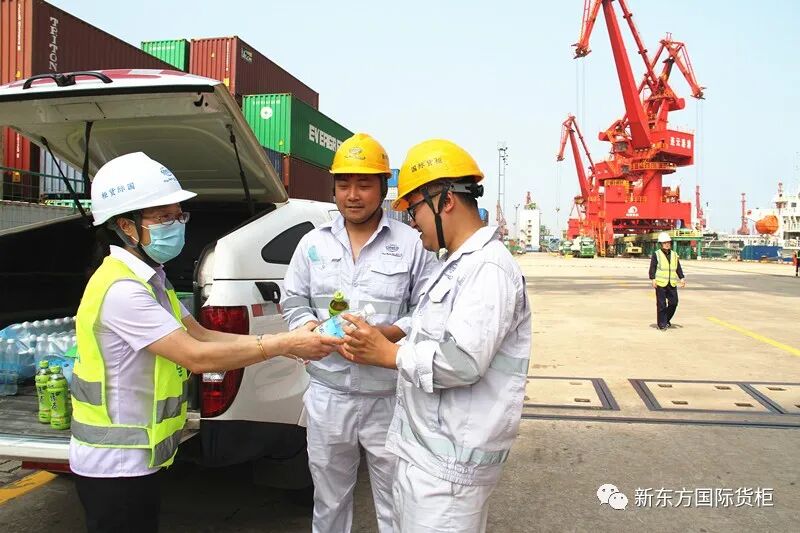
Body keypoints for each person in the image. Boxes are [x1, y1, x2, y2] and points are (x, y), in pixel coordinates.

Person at [71, 152, 342, 533]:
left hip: (137, 460)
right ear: (126, 226)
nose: (176, 225)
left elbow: (200, 333)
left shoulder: (152, 279)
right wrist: (285, 345)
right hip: (113, 465)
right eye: (163, 217)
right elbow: (195, 356)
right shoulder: (122, 290)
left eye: (178, 215)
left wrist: (282, 341)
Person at [339, 139, 531, 532]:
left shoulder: (488, 269)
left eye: (414, 210)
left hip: (450, 475)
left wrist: (388, 354)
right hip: (426, 458)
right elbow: (431, 326)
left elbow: (462, 362)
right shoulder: (456, 264)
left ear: (446, 202)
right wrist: (387, 335)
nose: (412, 223)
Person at [281, 133, 436, 533]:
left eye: (364, 184)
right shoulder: (311, 244)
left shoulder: (412, 244)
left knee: (395, 501)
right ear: (333, 188)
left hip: (389, 398)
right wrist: (306, 327)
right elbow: (292, 299)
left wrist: (389, 333)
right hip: (328, 396)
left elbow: (428, 309)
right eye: (343, 184)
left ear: (383, 188)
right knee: (329, 501)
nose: (352, 195)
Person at [649, 232, 687, 330]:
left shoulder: (674, 254)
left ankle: (666, 320)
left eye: (668, 242)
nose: (667, 244)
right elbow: (652, 267)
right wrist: (653, 279)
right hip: (660, 283)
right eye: (664, 242)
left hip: (672, 283)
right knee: (661, 305)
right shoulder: (656, 254)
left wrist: (682, 278)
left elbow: (678, 267)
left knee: (674, 303)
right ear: (661, 244)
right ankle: (661, 324)